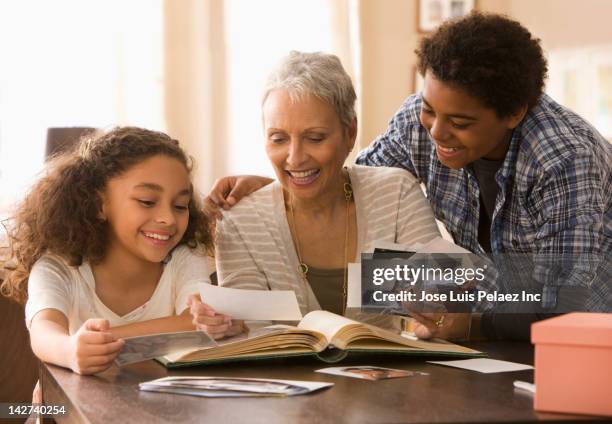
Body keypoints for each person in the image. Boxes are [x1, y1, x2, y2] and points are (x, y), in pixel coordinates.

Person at [206, 13, 611, 341]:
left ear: (513, 113)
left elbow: (566, 299)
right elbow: (350, 178)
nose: (436, 131)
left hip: (587, 331)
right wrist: (282, 184)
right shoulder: (418, 123)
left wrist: (471, 323)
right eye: (430, 108)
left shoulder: (565, 158)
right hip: (503, 322)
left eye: (460, 122)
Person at [190, 51, 441, 334]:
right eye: (279, 139)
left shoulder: (395, 194)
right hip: (285, 377)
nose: (295, 159)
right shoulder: (240, 219)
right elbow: (250, 331)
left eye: (315, 138)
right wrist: (226, 324)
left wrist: (433, 312)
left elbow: (439, 297)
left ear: (350, 133)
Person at [0, 127, 236, 376]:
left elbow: (196, 323)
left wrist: (106, 338)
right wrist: (70, 350)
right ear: (99, 204)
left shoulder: (186, 256)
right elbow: (44, 331)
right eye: (147, 201)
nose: (168, 218)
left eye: (180, 205)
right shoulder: (57, 268)